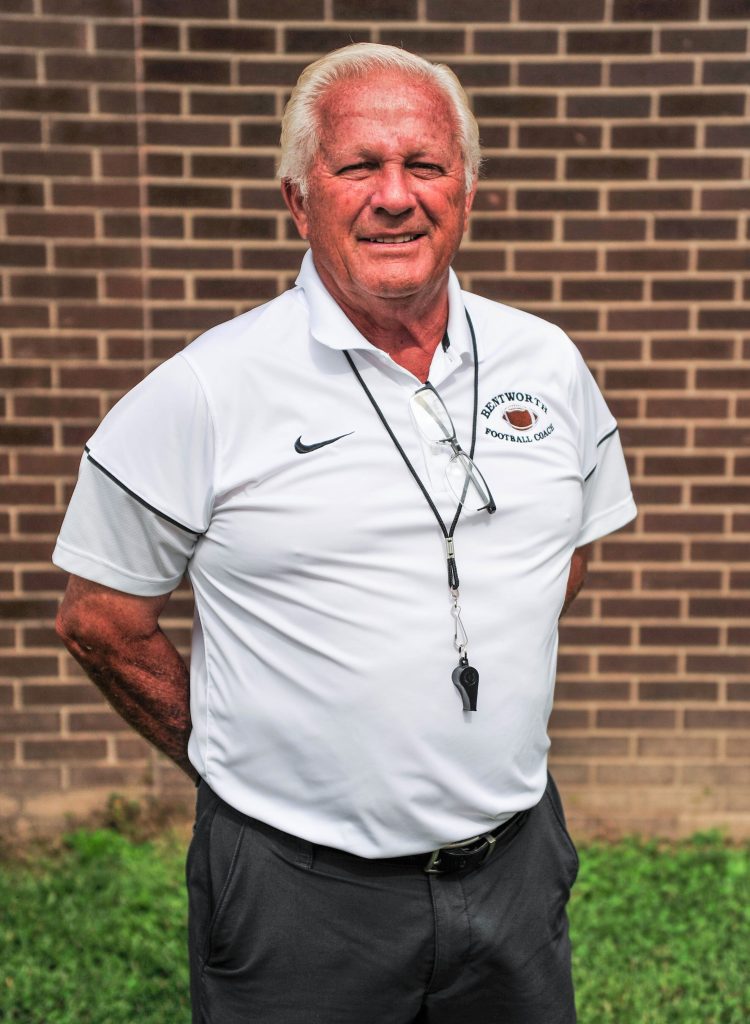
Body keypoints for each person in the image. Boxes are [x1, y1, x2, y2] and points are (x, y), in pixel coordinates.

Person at [54, 42, 636, 1024]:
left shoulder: (549, 363)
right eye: (359, 165)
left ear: (468, 192)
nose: (395, 196)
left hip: (515, 871)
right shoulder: (205, 389)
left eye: (425, 165)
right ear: (299, 199)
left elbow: (564, 555)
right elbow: (99, 618)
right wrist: (239, 760)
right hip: (295, 894)